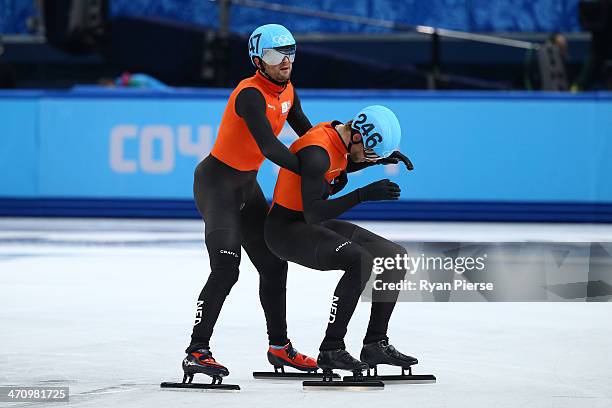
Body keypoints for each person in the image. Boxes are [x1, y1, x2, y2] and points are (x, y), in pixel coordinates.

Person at [182, 24, 317, 382]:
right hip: (217, 185)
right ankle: (197, 351)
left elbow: (311, 135)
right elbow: (270, 148)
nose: (285, 60)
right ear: (258, 60)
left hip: (247, 186)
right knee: (227, 269)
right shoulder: (250, 95)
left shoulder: (287, 90)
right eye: (276, 55)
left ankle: (279, 347)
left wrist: (344, 152)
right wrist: (313, 171)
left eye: (290, 51)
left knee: (274, 264)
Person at [264, 105, 417, 376]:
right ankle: (331, 348)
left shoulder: (340, 136)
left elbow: (348, 160)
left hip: (310, 223)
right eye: (370, 152)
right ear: (358, 136)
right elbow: (313, 212)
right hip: (286, 230)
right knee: (359, 259)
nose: (368, 159)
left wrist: (380, 159)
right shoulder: (317, 153)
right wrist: (362, 195)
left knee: (394, 255)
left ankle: (375, 344)